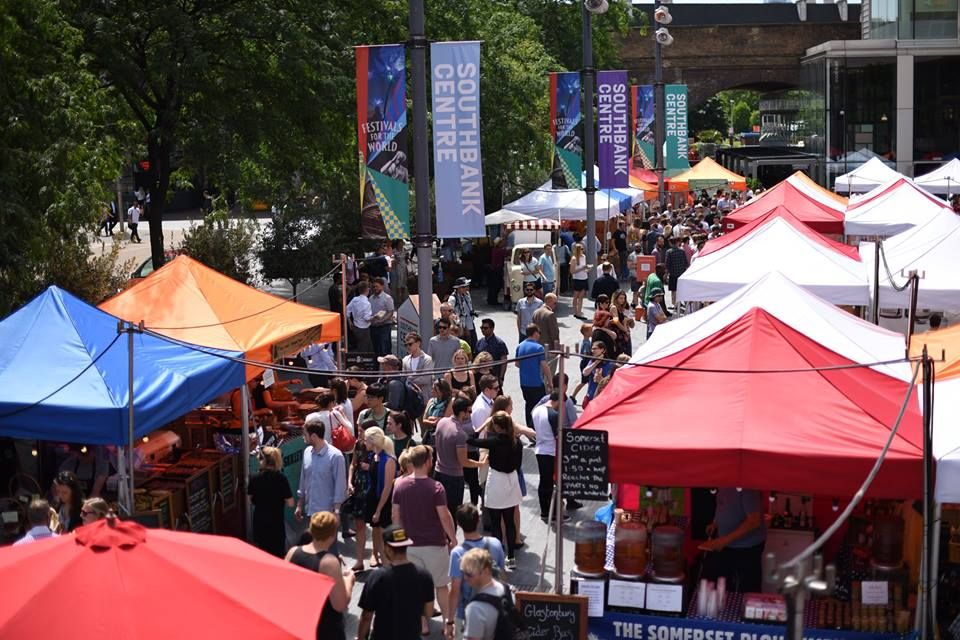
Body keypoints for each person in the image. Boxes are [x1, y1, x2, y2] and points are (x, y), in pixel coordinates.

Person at [392, 446, 460, 632]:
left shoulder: (400, 486)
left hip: (410, 546)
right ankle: (448, 623)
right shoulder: (436, 488)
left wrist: (399, 543)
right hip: (434, 545)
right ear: (428, 462)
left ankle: (422, 624)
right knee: (441, 586)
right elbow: (444, 517)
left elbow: (395, 517)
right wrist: (453, 539)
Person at [357, 524, 436, 640]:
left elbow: (366, 616)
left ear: (387, 548)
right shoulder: (425, 576)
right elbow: (428, 612)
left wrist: (361, 638)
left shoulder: (377, 577)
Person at [285, 511, 354, 640]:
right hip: (324, 627)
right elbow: (340, 604)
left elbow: (285, 590)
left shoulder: (292, 552)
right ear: (333, 535)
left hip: (299, 624)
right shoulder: (329, 562)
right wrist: (349, 580)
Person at [466, 412, 522, 567]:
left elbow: (470, 439)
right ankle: (511, 557)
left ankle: (498, 557)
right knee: (509, 522)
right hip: (511, 481)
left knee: (496, 523)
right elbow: (518, 465)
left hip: (496, 481)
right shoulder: (517, 442)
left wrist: (483, 425)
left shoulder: (493, 442)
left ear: (497, 426)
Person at [446, 505, 506, 639]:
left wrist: (449, 621)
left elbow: (455, 591)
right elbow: (502, 576)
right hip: (493, 610)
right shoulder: (495, 544)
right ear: (478, 520)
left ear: (459, 525)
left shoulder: (458, 553)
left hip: (466, 614)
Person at [699, 488, 767, 593]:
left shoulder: (749, 488)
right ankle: (728, 607)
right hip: (727, 545)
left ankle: (749, 608)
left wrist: (723, 541)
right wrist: (715, 522)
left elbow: (754, 521)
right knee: (725, 586)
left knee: (747, 587)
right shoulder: (724, 483)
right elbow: (722, 504)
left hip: (747, 548)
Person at [434, 395, 484, 515]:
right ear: (463, 413)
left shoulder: (442, 422)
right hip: (453, 478)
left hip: (438, 473)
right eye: (469, 411)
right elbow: (464, 461)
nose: (471, 414)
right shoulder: (459, 434)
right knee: (452, 512)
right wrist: (481, 464)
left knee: (439, 511)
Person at [295, 416, 346, 523]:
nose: (303, 437)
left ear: (313, 436)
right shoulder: (307, 452)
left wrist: (336, 512)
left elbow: (340, 486)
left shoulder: (336, 456)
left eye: (305, 435)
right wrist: (299, 505)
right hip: (310, 512)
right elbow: (303, 480)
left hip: (327, 515)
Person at [248, 446, 294, 557]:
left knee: (263, 555)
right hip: (276, 524)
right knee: (277, 556)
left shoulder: (254, 477)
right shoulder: (281, 478)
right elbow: (290, 503)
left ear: (263, 461)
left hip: (260, 523)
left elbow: (250, 499)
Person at [531, 392, 569, 524]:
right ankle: (555, 513)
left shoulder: (536, 410)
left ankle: (545, 511)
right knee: (554, 484)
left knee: (543, 482)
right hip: (551, 452)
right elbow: (558, 437)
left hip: (539, 450)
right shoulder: (554, 415)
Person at [459, 548, 511, 640]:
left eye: (469, 573)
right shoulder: (506, 589)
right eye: (463, 573)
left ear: (486, 572)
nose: (465, 578)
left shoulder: (475, 608)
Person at [363, 427, 397, 570]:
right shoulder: (373, 457)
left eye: (366, 440)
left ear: (373, 441)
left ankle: (388, 565)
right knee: (376, 530)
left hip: (383, 502)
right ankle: (379, 558)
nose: (364, 443)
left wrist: (378, 510)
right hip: (373, 499)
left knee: (385, 534)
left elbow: (387, 488)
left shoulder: (388, 460)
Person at [516, 324, 553, 430]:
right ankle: (539, 428)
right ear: (535, 333)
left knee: (529, 405)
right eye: (539, 332)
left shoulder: (520, 346)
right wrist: (550, 382)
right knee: (540, 406)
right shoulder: (538, 347)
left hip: (524, 383)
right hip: (536, 382)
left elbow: (517, 364)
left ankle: (530, 427)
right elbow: (545, 366)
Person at [402, 332, 435, 403]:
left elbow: (425, 379)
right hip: (409, 397)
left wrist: (410, 381)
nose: (408, 347)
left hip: (424, 396)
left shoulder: (427, 359)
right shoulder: (405, 360)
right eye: (406, 345)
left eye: (410, 344)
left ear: (418, 343)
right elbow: (404, 378)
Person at [532, 293, 561, 376]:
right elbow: (554, 334)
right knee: (549, 374)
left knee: (539, 373)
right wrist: (557, 349)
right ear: (549, 301)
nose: (555, 306)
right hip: (549, 349)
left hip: (537, 348)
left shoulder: (536, 312)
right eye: (555, 303)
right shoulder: (550, 314)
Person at [422, 379, 454, 446]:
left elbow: (445, 419)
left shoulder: (450, 402)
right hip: (430, 435)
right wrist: (432, 422)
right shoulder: (431, 401)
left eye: (435, 389)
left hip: (443, 435)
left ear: (442, 391)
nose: (432, 391)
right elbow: (424, 419)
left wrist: (431, 418)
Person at [369, 278, 395, 357]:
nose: (375, 288)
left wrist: (382, 321)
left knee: (385, 348)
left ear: (382, 286)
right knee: (376, 348)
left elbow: (390, 312)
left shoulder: (387, 298)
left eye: (377, 286)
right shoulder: (370, 298)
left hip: (384, 327)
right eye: (373, 287)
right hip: (373, 327)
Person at [476, 319, 508, 383]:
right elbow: (476, 360)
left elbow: (504, 361)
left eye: (485, 328)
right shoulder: (479, 342)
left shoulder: (499, 343)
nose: (483, 330)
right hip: (481, 377)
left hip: (494, 377)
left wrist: (501, 378)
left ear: (492, 328)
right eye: (481, 328)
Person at [346, 281, 375, 352]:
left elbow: (346, 310)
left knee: (362, 346)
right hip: (363, 328)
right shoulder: (367, 303)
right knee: (364, 349)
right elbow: (367, 318)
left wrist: (349, 321)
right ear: (367, 290)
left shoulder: (355, 299)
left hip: (356, 326)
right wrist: (375, 317)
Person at [451, 277, 478, 349]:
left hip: (469, 321)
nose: (467, 288)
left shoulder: (466, 295)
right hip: (459, 323)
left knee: (473, 341)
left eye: (467, 286)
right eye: (464, 287)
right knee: (463, 342)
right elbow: (450, 311)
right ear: (459, 288)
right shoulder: (453, 298)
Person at [664, 236, 689, 308]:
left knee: (673, 290)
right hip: (681, 273)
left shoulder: (669, 252)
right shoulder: (682, 251)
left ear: (671, 243)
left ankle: (674, 304)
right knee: (681, 289)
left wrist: (666, 274)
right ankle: (681, 302)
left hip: (673, 274)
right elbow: (686, 263)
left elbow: (667, 264)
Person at [570, 242, 590, 319]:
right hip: (577, 279)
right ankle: (575, 311)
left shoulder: (583, 256)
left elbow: (583, 268)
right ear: (577, 250)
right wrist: (582, 268)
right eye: (581, 249)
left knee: (581, 296)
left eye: (583, 249)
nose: (583, 250)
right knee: (576, 296)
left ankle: (579, 311)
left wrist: (587, 269)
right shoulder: (574, 259)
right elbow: (572, 271)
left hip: (584, 277)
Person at [391, 238, 409, 305]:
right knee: (399, 283)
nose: (401, 244)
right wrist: (395, 260)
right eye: (400, 243)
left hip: (404, 267)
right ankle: (399, 299)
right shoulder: (394, 251)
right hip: (397, 268)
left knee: (404, 282)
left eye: (402, 243)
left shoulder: (405, 250)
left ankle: (404, 297)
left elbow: (407, 260)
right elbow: (392, 260)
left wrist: (407, 257)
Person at [628, 243, 644, 309]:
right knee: (635, 291)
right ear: (634, 247)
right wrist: (638, 265)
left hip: (641, 276)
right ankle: (636, 306)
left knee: (639, 291)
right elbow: (629, 266)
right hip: (634, 276)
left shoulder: (642, 254)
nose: (638, 248)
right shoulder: (631, 256)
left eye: (639, 247)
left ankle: (633, 303)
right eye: (637, 247)